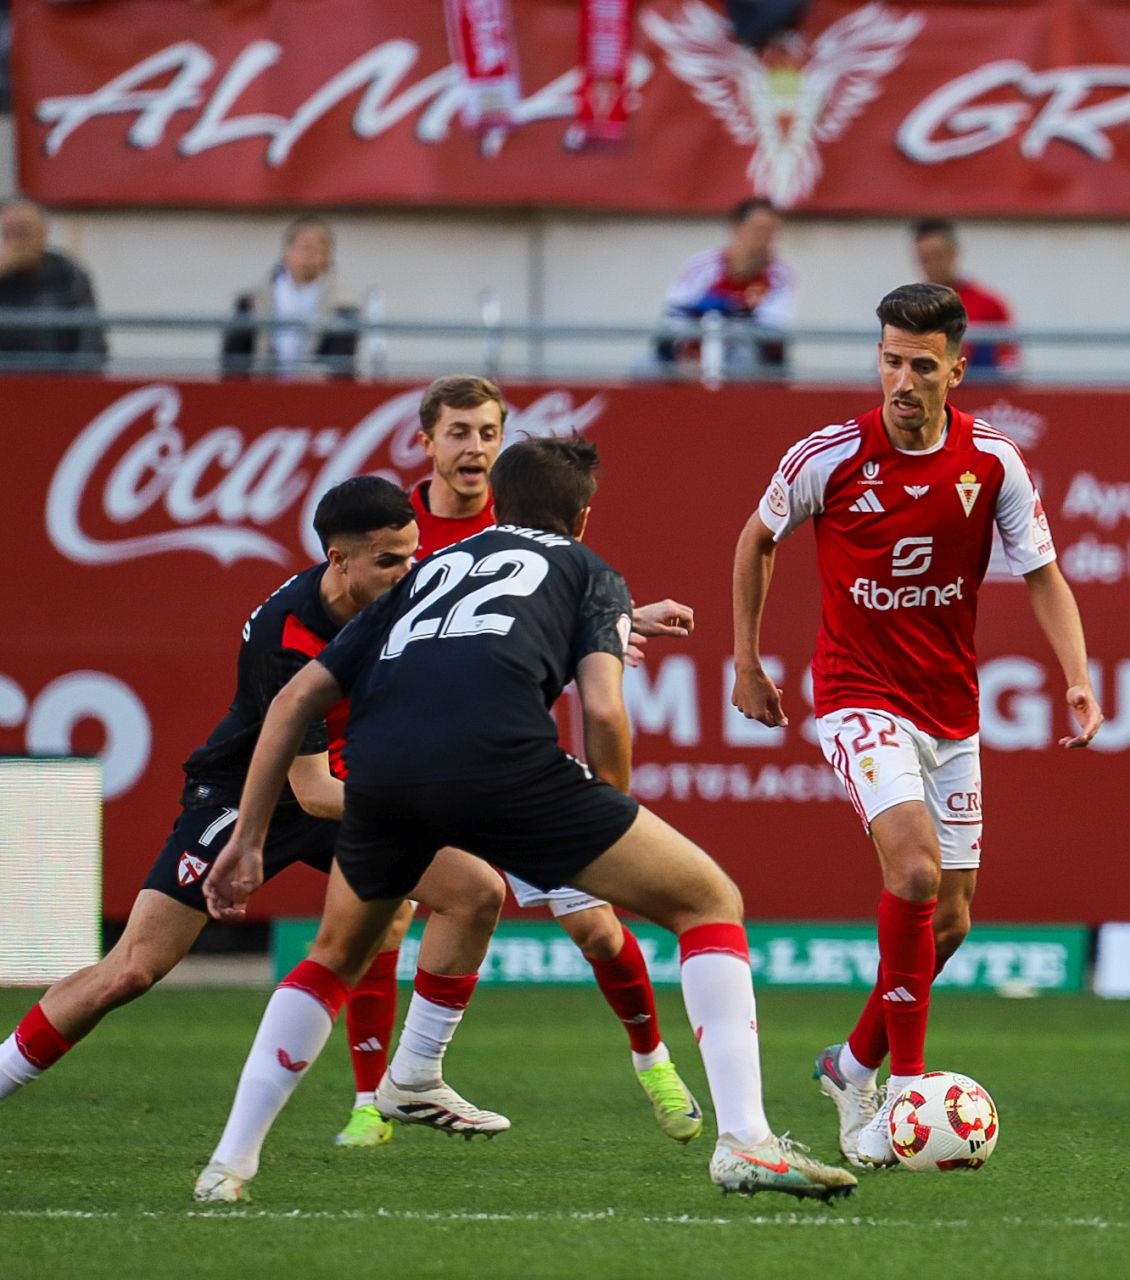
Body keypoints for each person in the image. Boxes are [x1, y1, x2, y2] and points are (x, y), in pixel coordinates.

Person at [194, 436, 856, 1203]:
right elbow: (604, 705)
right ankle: (746, 1140)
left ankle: (229, 1165)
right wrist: (608, 806)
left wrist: (247, 839)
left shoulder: (428, 570)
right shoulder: (588, 569)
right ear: (582, 517)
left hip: (381, 774)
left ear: (498, 505)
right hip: (505, 765)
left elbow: (294, 700)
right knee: (709, 902)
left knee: (335, 954)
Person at [0, 478, 506, 1148]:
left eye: (412, 556)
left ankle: (412, 1077)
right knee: (132, 969)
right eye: (390, 561)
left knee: (474, 892)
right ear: (339, 560)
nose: (408, 573)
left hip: (337, 786)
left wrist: (606, 618)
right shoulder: (290, 636)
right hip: (249, 796)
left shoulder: (403, 596)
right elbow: (313, 793)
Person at [731, 283, 1102, 1166]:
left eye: (921, 365)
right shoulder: (826, 456)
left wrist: (1078, 680)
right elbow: (757, 540)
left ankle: (847, 1063)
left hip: (950, 706)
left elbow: (1044, 575)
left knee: (953, 919)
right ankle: (904, 1082)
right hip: (857, 692)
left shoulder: (995, 463)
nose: (901, 379)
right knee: (914, 867)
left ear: (956, 369)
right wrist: (748, 661)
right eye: (890, 360)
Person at [402, 374, 704, 1141]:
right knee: (375, 925)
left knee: (597, 929)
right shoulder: (396, 536)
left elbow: (528, 626)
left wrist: (618, 620)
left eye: (487, 433)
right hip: (427, 758)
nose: (473, 448)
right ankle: (378, 1097)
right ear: (426, 440)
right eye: (460, 432)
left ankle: (654, 1063)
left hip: (501, 765)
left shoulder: (527, 542)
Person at [656, 197, 794, 375]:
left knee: (742, 359)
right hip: (693, 351)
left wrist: (729, 314)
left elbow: (772, 329)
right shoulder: (702, 266)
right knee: (644, 365)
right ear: (736, 229)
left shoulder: (779, 275)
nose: (765, 241)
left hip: (745, 355)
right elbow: (673, 318)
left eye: (771, 233)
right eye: (759, 231)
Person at [221, 216, 359, 378]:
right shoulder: (253, 300)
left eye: (319, 248)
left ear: (328, 256)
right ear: (287, 250)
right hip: (261, 391)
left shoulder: (343, 306)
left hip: (315, 394)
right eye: (305, 246)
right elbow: (234, 359)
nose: (310, 254)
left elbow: (340, 365)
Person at [0, 197, 107, 369]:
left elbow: (91, 340)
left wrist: (71, 385)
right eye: (10, 232)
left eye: (24, 231)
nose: (18, 242)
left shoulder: (68, 272)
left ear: (43, 232)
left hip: (57, 380)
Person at [912, 218, 1019, 377]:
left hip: (977, 396)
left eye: (937, 255)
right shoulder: (909, 307)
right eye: (925, 258)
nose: (932, 264)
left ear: (954, 254)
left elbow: (1009, 364)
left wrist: (970, 357)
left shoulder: (989, 305)